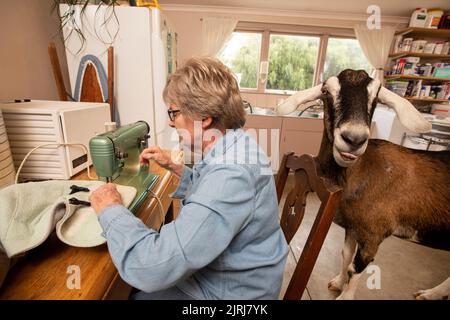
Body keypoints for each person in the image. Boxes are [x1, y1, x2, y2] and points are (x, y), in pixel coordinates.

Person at [90, 56, 289, 300]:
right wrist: (178, 169)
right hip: (231, 278)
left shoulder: (232, 173)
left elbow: (153, 267)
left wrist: (110, 209)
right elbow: (214, 192)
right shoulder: (235, 145)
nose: (172, 123)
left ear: (203, 118)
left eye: (174, 113)